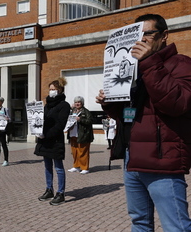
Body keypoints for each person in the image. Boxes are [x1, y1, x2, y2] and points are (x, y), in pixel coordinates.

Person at [96, 14, 191, 231]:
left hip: (162, 160)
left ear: (164, 35)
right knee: (139, 222)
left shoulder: (182, 64)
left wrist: (149, 64)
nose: (141, 40)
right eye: (137, 36)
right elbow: (130, 115)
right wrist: (109, 102)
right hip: (132, 158)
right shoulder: (133, 68)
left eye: (147, 34)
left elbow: (177, 103)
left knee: (176, 226)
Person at [34, 77, 70, 205]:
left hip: (55, 140)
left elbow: (60, 125)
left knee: (58, 167)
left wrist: (47, 135)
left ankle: (61, 192)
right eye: (50, 89)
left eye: (53, 89)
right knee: (47, 166)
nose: (51, 92)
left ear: (59, 90)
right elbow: (42, 121)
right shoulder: (47, 105)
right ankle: (49, 189)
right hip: (45, 140)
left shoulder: (64, 106)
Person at [67, 96, 94, 175]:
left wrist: (80, 120)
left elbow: (90, 121)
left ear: (82, 103)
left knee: (83, 152)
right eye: (76, 102)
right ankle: (76, 166)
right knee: (75, 151)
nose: (77, 104)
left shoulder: (86, 112)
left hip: (83, 135)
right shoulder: (72, 111)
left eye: (79, 102)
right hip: (73, 134)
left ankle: (85, 168)